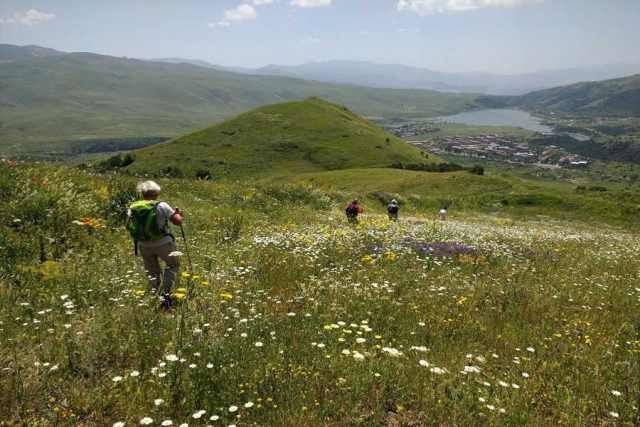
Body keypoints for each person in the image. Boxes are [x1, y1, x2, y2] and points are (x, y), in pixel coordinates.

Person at [126, 181, 183, 309]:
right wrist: (179, 214)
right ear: (157, 192)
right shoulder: (161, 205)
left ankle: (155, 295)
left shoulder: (134, 206)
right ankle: (166, 294)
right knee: (173, 265)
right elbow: (178, 222)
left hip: (143, 244)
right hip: (163, 242)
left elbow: (128, 226)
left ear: (142, 192)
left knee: (151, 271)